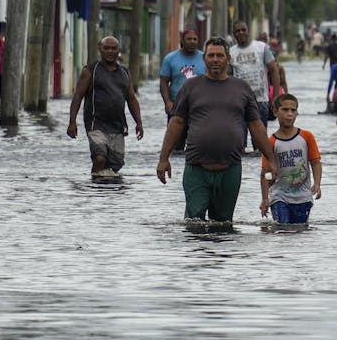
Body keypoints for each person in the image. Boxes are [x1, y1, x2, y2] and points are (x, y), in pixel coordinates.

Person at [157, 37, 276, 222]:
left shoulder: (242, 88)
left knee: (223, 224)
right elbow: (176, 123)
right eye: (211, 55)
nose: (215, 59)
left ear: (228, 58)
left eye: (219, 55)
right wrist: (163, 159)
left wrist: (271, 159)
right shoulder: (190, 86)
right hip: (196, 169)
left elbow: (256, 126)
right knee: (194, 221)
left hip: (230, 170)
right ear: (204, 59)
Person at [67, 35, 144, 180]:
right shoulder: (91, 70)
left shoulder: (124, 73)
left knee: (115, 165)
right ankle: (96, 192)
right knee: (100, 158)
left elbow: (132, 99)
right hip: (96, 124)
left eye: (114, 48)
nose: (110, 51)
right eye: (106, 48)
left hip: (117, 126)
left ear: (118, 51)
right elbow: (78, 96)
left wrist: (139, 123)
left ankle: (107, 193)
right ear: (100, 49)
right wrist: (72, 122)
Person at [258, 93, 322, 224]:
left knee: (300, 229)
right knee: (283, 227)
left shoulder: (306, 136)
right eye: (285, 110)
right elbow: (265, 173)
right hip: (279, 195)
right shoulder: (270, 142)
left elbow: (315, 162)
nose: (289, 114)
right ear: (275, 112)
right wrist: (265, 199)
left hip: (303, 196)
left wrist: (317, 184)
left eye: (293, 110)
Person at [230, 20, 282, 129]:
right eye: (237, 31)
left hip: (260, 100)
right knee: (239, 140)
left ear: (248, 31)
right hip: (239, 102)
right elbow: (227, 76)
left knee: (260, 140)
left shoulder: (261, 47)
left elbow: (274, 71)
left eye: (243, 30)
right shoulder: (231, 52)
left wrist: (276, 96)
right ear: (234, 34)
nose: (241, 33)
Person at [159, 28, 204, 117]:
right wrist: (167, 102)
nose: (192, 42)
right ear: (182, 41)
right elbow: (164, 82)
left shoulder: (205, 58)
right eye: (189, 39)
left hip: (199, 107)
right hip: (176, 106)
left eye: (195, 39)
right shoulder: (170, 59)